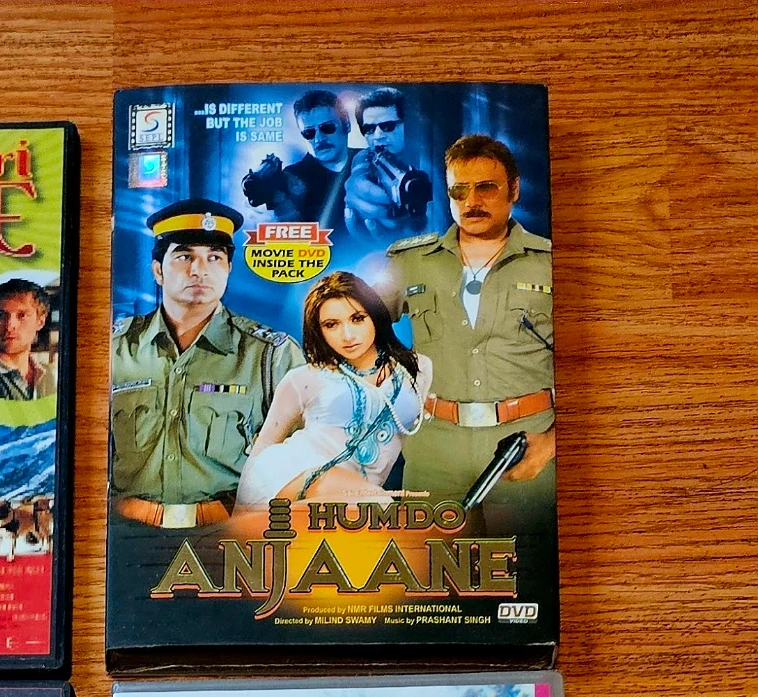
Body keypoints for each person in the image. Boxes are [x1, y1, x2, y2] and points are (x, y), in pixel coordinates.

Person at [382, 134, 555, 514]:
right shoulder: (410, 262)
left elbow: (600, 368)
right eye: (458, 191)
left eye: (486, 188)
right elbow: (353, 329)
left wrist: (552, 443)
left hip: (526, 448)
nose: (471, 202)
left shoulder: (549, 263)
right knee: (430, 553)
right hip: (434, 453)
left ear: (514, 189)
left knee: (528, 552)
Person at [110, 198, 303, 528]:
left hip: (232, 533)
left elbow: (306, 460)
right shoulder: (115, 348)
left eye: (214, 258)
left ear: (228, 269)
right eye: (184, 256)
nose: (199, 270)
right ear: (158, 270)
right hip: (129, 531)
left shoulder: (270, 355)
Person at [236, 270, 432, 507]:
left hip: (355, 496)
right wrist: (240, 511)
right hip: (290, 473)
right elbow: (264, 445)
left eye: (357, 319)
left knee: (372, 509)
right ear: (319, 330)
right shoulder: (305, 378)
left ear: (375, 316)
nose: (347, 335)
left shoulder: (419, 369)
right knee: (378, 503)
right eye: (331, 325)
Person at [241, 89, 350, 232]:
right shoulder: (291, 177)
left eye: (327, 127)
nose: (319, 139)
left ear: (346, 125)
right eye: (309, 132)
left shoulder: (368, 159)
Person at [343, 88, 432, 243]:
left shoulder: (429, 155)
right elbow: (358, 173)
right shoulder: (366, 157)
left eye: (388, 126)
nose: (378, 136)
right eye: (369, 129)